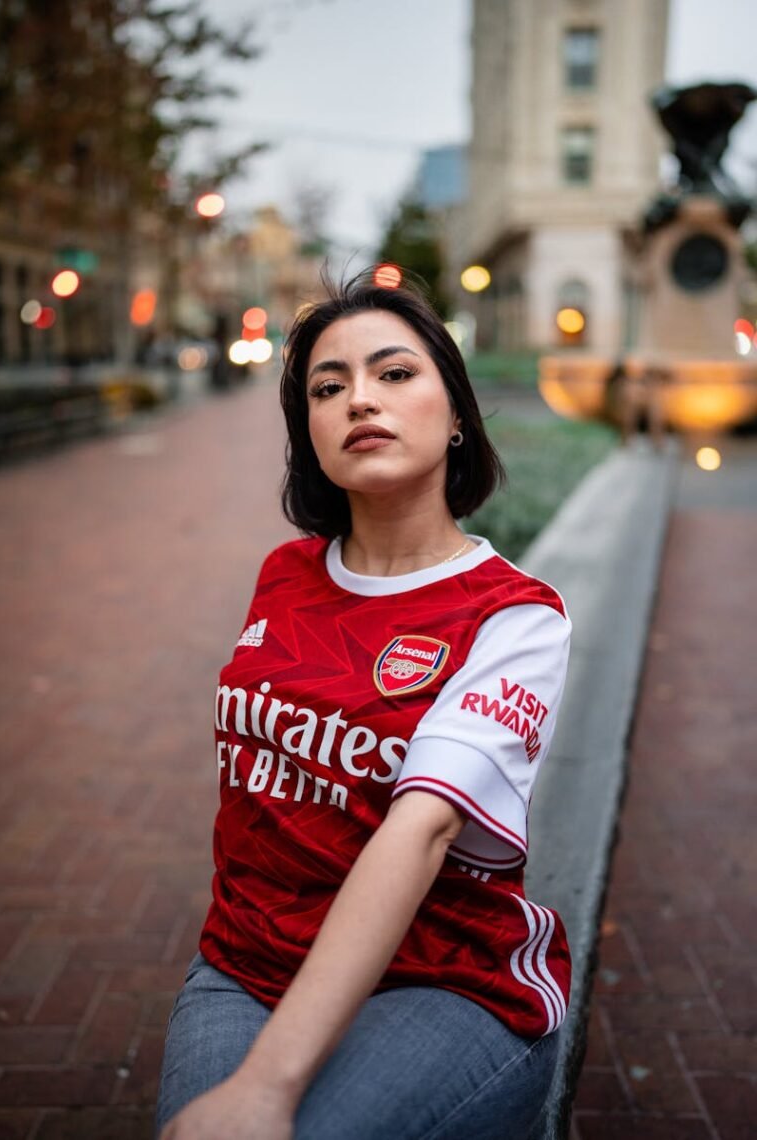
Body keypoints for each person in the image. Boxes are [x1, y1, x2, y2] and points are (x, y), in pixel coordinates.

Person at [156, 270, 572, 1140]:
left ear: (456, 412)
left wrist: (267, 1086)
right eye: (328, 386)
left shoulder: (514, 617)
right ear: (308, 430)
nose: (359, 401)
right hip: (242, 961)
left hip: (445, 977)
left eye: (394, 374)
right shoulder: (285, 577)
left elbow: (419, 831)